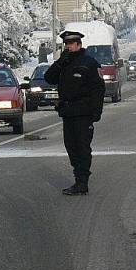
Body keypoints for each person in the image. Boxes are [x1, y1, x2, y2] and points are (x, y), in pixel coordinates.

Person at [44, 30, 105, 196]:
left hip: (84, 112)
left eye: (71, 44)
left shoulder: (89, 63)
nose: (68, 47)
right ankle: (78, 178)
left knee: (82, 148)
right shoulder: (63, 64)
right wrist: (59, 63)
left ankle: (82, 182)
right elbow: (48, 78)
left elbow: (99, 89)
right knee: (71, 147)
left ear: (79, 44)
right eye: (66, 44)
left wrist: (96, 111)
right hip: (68, 112)